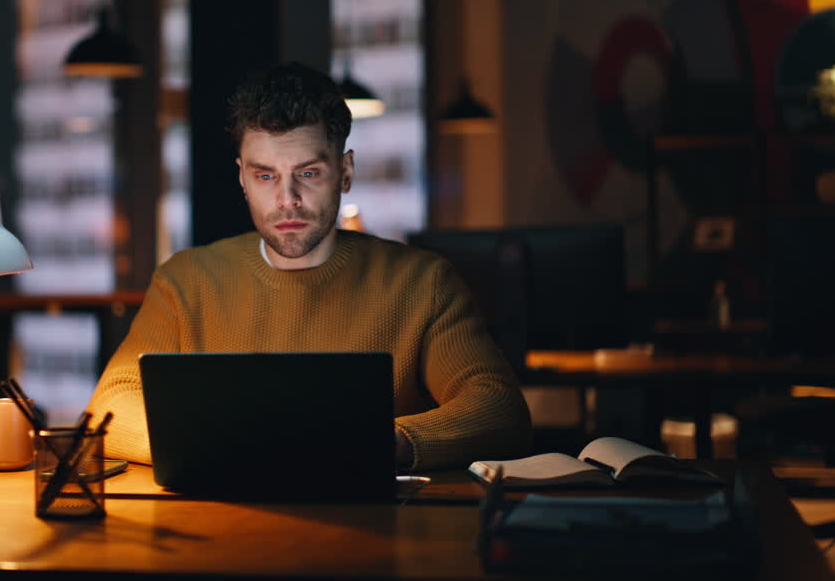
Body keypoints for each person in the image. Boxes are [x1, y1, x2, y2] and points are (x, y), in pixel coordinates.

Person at [87, 62, 531, 471]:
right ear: (242, 178)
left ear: (345, 171)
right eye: (265, 176)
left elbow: (498, 406)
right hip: (219, 519)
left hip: (371, 521)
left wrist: (384, 442)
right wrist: (224, 443)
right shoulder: (185, 281)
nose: (287, 200)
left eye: (309, 173)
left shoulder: (422, 282)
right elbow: (110, 404)